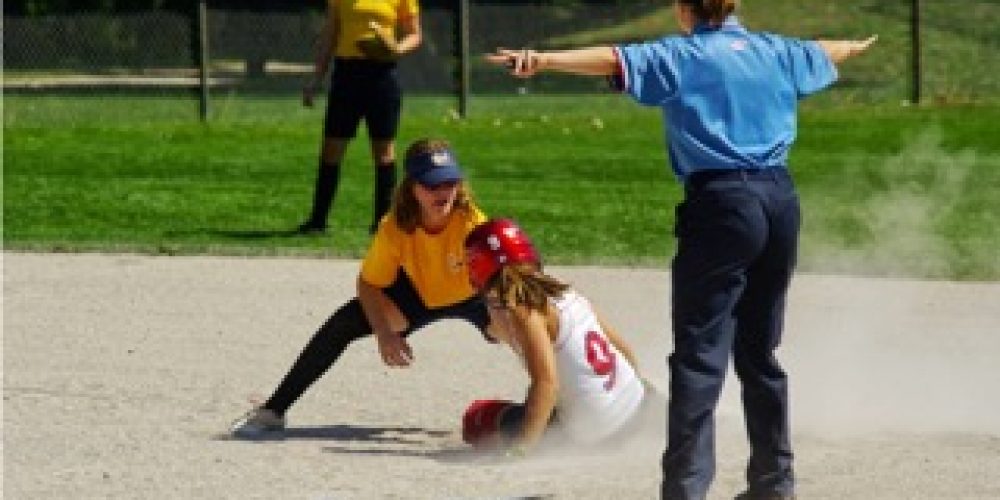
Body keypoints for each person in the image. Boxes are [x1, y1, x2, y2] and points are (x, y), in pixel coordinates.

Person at [485, 1, 876, 498]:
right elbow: (827, 51)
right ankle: (775, 484)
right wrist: (854, 48)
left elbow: (611, 58)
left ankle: (686, 490)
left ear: (683, 8)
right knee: (759, 352)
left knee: (699, 357)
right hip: (780, 202)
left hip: (721, 206)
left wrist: (540, 60)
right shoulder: (775, 50)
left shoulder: (683, 55)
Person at [231, 138, 488, 437]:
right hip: (417, 295)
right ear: (412, 187)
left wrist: (511, 319)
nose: (442, 193)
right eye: (431, 185)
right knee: (343, 323)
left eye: (449, 182)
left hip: (474, 294)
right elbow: (368, 284)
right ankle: (273, 411)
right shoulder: (395, 226)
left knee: (526, 325)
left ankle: (550, 408)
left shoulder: (472, 222)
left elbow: (501, 279)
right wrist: (383, 333)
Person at [460, 218, 656, 458]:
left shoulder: (523, 311)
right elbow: (621, 348)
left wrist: (523, 448)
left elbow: (546, 384)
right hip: (641, 404)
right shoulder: (564, 291)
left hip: (599, 434)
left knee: (478, 417)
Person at [298, 0, 423, 235]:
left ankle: (383, 223)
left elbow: (415, 35)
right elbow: (330, 35)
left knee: (384, 151)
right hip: (347, 74)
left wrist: (396, 48)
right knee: (332, 148)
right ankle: (317, 220)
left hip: (382, 75)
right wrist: (316, 78)